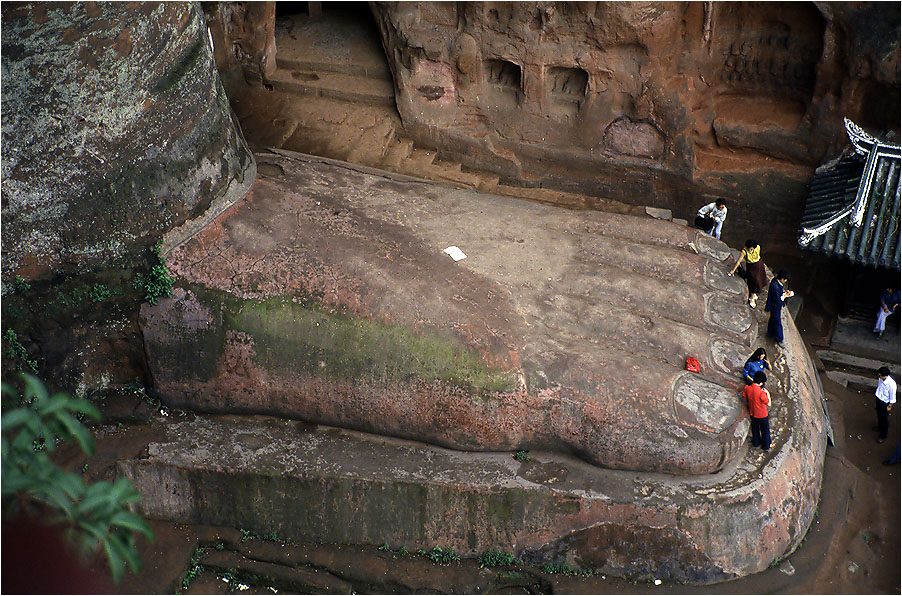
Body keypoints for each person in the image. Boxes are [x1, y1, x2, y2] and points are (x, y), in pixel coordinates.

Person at [728, 239, 768, 307]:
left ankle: (754, 294)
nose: (752, 249)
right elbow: (739, 261)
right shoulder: (744, 252)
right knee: (753, 280)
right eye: (750, 248)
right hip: (751, 266)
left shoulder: (757, 247)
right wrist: (733, 270)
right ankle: (752, 296)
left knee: (760, 279)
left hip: (759, 264)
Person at [743, 370, 771, 451]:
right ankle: (766, 445)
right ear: (761, 382)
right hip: (762, 415)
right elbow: (768, 403)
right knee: (765, 430)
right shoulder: (761, 393)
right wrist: (767, 394)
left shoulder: (747, 388)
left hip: (753, 413)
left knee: (755, 428)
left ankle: (756, 442)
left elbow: (744, 396)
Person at [764, 270, 793, 349]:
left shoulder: (775, 281)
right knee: (777, 322)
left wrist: (784, 291)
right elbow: (778, 299)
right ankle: (779, 339)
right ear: (783, 279)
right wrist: (786, 295)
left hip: (775, 305)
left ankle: (770, 332)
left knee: (773, 318)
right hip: (775, 306)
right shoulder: (775, 286)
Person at [875, 366, 896, 444]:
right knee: (879, 415)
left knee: (884, 419)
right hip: (879, 398)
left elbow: (892, 397)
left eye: (880, 375)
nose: (879, 376)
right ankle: (879, 427)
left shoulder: (891, 384)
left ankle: (883, 435)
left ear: (884, 376)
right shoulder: (881, 379)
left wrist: (889, 406)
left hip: (885, 402)